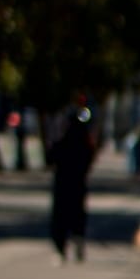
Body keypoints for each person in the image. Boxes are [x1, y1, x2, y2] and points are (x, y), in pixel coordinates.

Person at [49, 95, 98, 261]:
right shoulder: (74, 127)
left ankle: (68, 245)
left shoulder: (67, 127)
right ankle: (68, 245)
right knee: (72, 214)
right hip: (73, 178)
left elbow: (52, 153)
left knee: (67, 215)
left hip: (69, 178)